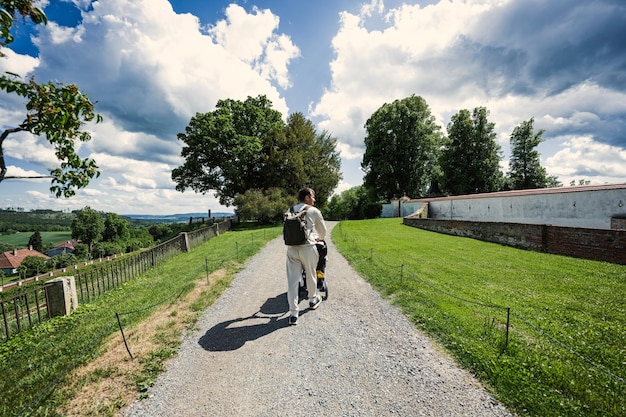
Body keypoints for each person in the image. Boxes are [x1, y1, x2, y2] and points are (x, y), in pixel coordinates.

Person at [286, 187, 327, 325]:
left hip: (292, 249)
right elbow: (322, 230)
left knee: (292, 281)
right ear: (307, 197)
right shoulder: (313, 210)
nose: (314, 199)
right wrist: (319, 238)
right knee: (311, 274)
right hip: (307, 248)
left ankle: (293, 314)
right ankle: (312, 299)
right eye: (313, 196)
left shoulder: (290, 210)